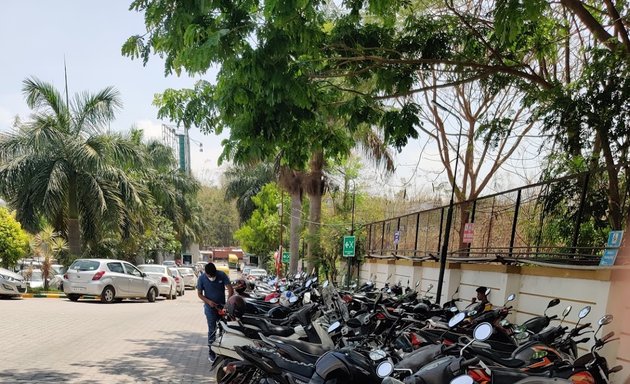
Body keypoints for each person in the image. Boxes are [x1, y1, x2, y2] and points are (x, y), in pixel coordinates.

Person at [197, 262, 234, 363]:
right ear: (206, 273)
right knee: (212, 330)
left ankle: (223, 352)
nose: (212, 277)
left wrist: (227, 304)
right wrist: (208, 301)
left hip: (222, 308)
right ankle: (211, 352)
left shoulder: (222, 275)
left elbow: (230, 289)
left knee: (224, 329)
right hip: (210, 309)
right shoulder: (202, 278)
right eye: (210, 276)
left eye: (213, 275)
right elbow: (199, 294)